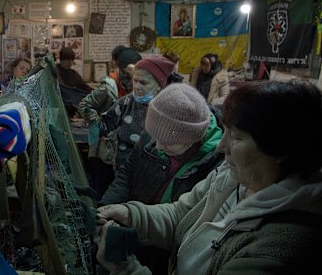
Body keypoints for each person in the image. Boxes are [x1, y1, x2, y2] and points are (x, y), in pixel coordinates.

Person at [95, 79, 322, 274]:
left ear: (280, 149)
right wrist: (131, 214)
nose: (222, 146)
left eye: (237, 138)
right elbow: (181, 214)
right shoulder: (230, 179)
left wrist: (124, 268)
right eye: (225, 132)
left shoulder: (278, 246)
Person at [99, 83, 224, 274]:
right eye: (155, 137)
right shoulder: (157, 130)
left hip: (170, 253)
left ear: (194, 138)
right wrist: (107, 207)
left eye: (168, 143)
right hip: (138, 230)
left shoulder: (217, 166)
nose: (157, 146)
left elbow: (185, 219)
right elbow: (128, 173)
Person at [96, 56, 175, 185]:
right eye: (135, 81)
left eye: (143, 83)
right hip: (122, 175)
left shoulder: (168, 109)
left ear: (160, 85)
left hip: (153, 179)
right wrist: (94, 120)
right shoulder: (126, 103)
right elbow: (105, 124)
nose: (137, 86)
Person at [57, 46, 93, 117]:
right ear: (61, 60)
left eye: (71, 60)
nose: (70, 63)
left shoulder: (74, 75)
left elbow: (85, 88)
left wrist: (95, 92)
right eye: (67, 60)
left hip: (71, 110)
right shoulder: (55, 73)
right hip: (59, 108)